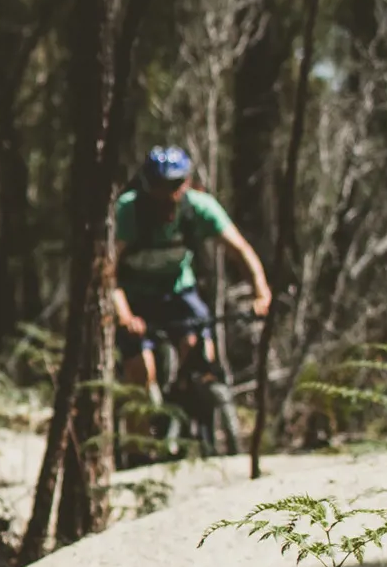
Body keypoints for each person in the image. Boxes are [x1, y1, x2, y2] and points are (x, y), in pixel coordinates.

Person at [110, 145, 273, 394]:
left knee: (200, 354)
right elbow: (106, 270)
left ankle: (198, 412)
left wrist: (261, 294)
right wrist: (124, 315)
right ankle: (142, 430)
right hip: (134, 298)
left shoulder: (200, 207)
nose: (167, 195)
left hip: (178, 292)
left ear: (187, 183)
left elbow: (241, 250)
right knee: (141, 373)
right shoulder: (127, 211)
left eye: (174, 185)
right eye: (158, 185)